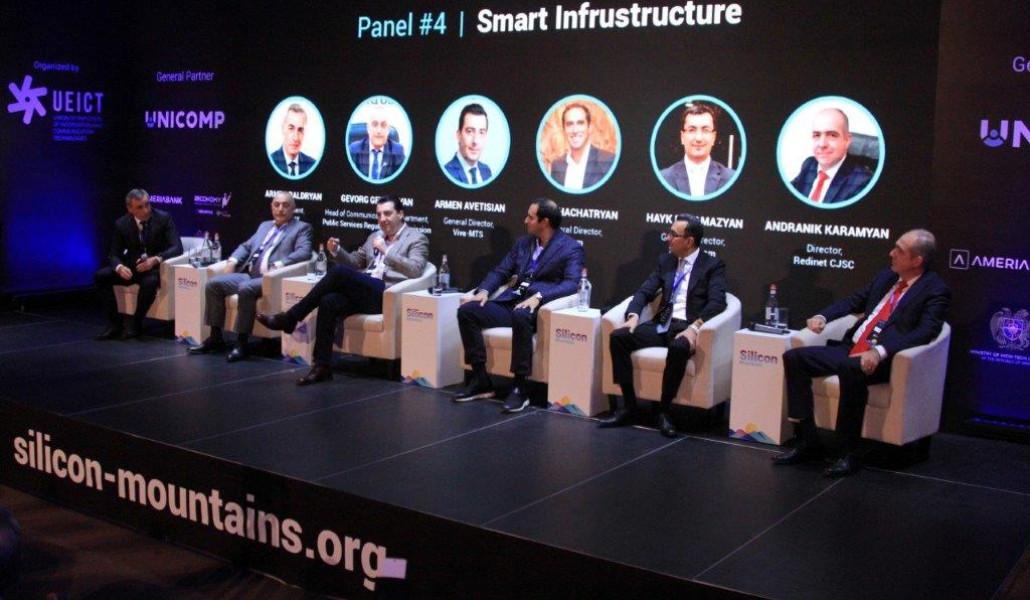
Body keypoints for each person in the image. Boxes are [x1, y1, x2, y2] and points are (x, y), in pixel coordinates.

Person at [774, 229, 950, 477]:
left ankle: (848, 453)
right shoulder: (887, 276)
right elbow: (854, 301)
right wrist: (823, 316)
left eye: (899, 250)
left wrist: (880, 351)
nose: (891, 253)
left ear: (917, 260)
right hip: (852, 348)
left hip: (887, 359)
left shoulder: (935, 290)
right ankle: (806, 441)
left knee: (850, 368)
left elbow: (925, 332)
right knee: (795, 358)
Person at [257, 196, 429, 385]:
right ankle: (322, 366)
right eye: (379, 215)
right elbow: (356, 262)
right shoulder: (375, 236)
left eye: (387, 214)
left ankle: (290, 318)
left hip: (387, 295)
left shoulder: (416, 238)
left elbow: (415, 269)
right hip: (364, 291)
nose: (382, 219)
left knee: (338, 272)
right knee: (329, 301)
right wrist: (338, 251)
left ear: (401, 214)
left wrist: (386, 251)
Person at [454, 198, 584, 413]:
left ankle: (519, 387)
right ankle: (480, 379)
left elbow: (571, 284)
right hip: (510, 301)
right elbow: (501, 271)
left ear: (545, 222)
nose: (525, 220)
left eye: (530, 217)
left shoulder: (570, 248)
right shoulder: (524, 243)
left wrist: (540, 296)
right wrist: (484, 291)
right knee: (467, 311)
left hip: (535, 309)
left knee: (521, 315)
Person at [602, 214, 726, 437]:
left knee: (678, 348)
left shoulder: (712, 265)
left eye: (673, 235)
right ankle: (629, 407)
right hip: (662, 323)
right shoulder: (666, 261)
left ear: (689, 241)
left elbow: (717, 302)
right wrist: (633, 316)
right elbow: (644, 291)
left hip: (687, 326)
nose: (667, 238)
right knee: (619, 337)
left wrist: (694, 328)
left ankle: (664, 411)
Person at [189, 192, 312, 361]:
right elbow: (246, 247)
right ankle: (215, 337)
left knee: (245, 288)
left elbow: (304, 252)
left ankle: (241, 342)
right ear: (271, 207)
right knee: (213, 285)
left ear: (293, 208)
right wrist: (233, 260)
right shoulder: (265, 226)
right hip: (249, 275)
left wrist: (280, 265)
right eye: (276, 205)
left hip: (271, 279)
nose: (280, 209)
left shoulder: (301, 228)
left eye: (285, 205)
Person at [94, 188, 183, 340]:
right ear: (130, 209)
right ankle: (115, 325)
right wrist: (119, 267)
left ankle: (136, 323)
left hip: (153, 269)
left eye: (147, 204)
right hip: (131, 268)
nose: (146, 210)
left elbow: (177, 247)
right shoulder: (122, 224)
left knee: (150, 282)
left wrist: (156, 259)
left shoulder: (163, 218)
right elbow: (113, 254)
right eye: (140, 207)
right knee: (101, 276)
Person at [790, 108, 872, 204]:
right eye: (817, 135)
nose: (822, 144)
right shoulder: (809, 164)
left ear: (847, 140)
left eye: (832, 135)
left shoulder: (863, 182)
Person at [660, 102, 735, 197]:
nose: (698, 138)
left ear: (714, 137)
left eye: (705, 130)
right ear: (682, 137)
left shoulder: (731, 178)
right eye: (692, 130)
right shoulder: (663, 178)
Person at [549, 103, 615, 190]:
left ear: (589, 128)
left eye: (580, 123)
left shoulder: (609, 161)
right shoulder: (557, 165)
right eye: (569, 124)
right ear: (564, 130)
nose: (575, 130)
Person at [349, 104, 406, 180]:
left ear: (388, 130)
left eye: (383, 125)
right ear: (368, 128)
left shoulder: (398, 151)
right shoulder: (354, 149)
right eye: (375, 124)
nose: (379, 130)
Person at [443, 103, 493, 185]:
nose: (475, 141)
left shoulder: (486, 171)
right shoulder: (447, 172)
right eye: (469, 131)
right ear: (458, 135)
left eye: (481, 132)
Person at [270, 104, 316, 177]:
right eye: (291, 128)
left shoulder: (312, 164)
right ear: (283, 129)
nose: (296, 138)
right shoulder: (271, 161)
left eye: (300, 130)